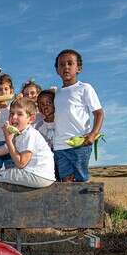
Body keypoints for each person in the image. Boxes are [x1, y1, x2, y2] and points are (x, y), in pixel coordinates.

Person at [0, 98, 56, 188]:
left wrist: (9, 140)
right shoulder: (18, 135)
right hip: (39, 175)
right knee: (6, 174)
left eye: (20, 114)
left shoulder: (29, 134)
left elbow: (21, 164)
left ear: (31, 119)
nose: (14, 117)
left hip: (38, 175)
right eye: (12, 113)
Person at [53, 49, 104, 182]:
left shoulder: (84, 88)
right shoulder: (56, 93)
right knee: (66, 182)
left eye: (70, 63)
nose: (66, 67)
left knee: (81, 180)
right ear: (57, 70)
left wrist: (93, 134)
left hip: (80, 143)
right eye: (62, 64)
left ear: (78, 68)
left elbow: (98, 113)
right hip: (59, 145)